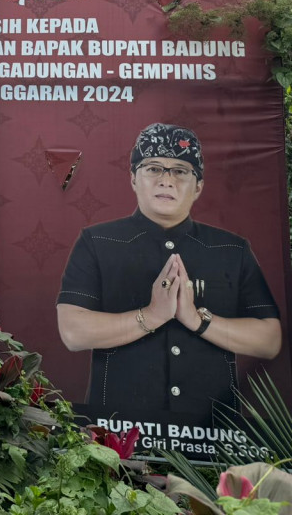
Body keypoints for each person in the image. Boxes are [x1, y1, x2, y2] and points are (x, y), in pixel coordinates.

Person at [57, 123, 281, 425]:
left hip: (212, 432)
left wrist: (197, 321)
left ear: (198, 186)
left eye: (180, 170)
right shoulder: (97, 242)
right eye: (153, 168)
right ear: (134, 179)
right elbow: (73, 332)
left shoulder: (232, 248)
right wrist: (150, 315)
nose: (167, 180)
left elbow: (269, 339)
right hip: (116, 429)